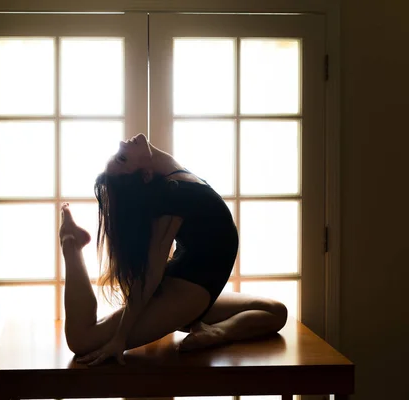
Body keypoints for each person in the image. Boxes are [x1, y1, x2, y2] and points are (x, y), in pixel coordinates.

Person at [59, 132, 288, 366]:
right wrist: (120, 338)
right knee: (82, 340)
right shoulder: (173, 192)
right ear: (145, 174)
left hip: (199, 292)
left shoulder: (175, 178)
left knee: (275, 312)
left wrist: (221, 333)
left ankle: (216, 332)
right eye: (122, 159)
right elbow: (151, 273)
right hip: (185, 294)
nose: (121, 144)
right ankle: (72, 244)